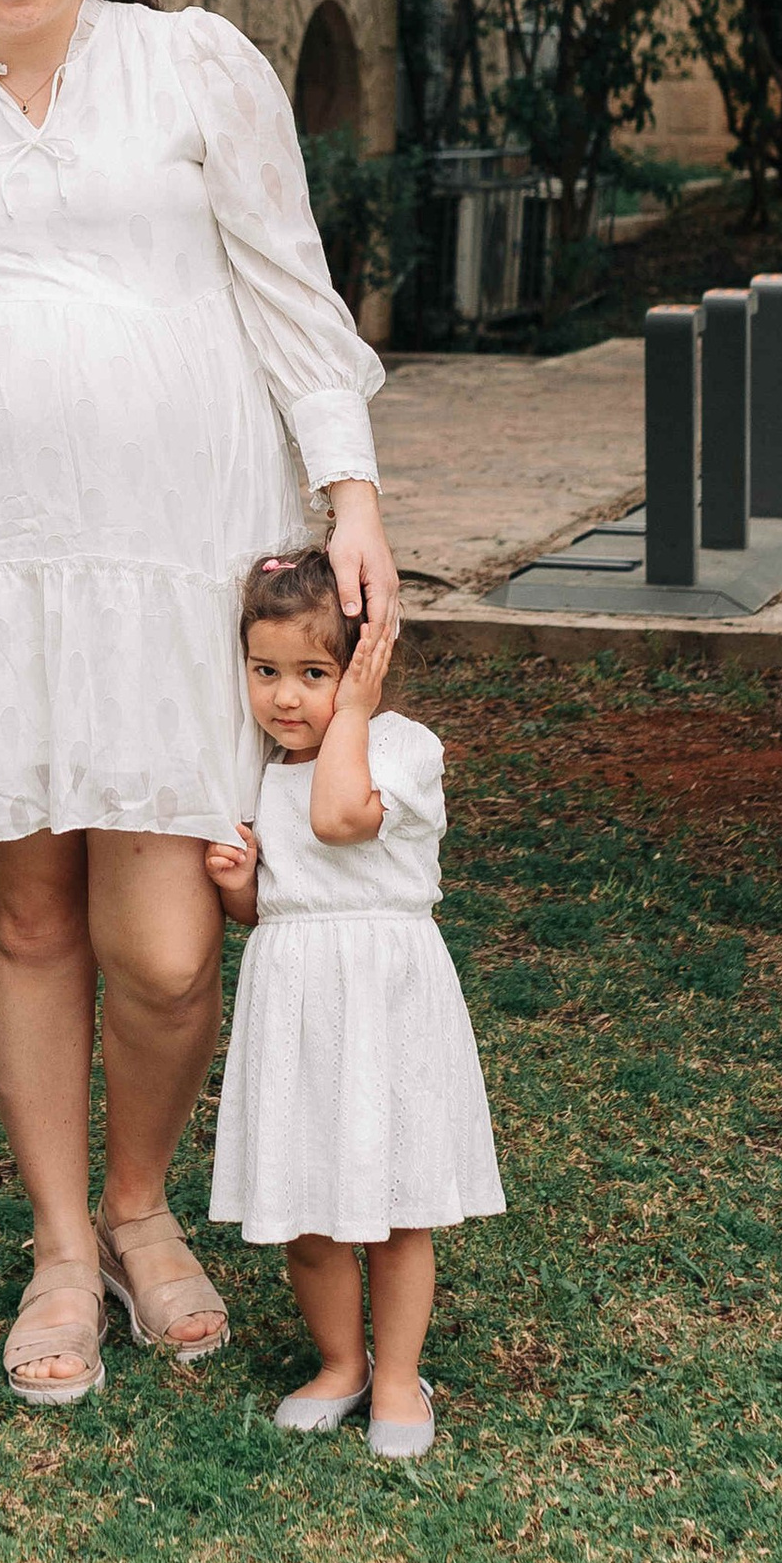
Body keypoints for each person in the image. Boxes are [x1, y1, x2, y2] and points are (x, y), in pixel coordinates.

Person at [0, 0, 400, 1405]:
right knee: (30, 916)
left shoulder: (194, 65)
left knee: (168, 945)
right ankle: (58, 1243)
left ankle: (141, 1201)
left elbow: (288, 287)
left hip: (187, 553)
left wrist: (353, 487)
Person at [205, 547, 503, 1459]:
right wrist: (240, 887)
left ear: (365, 668)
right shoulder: (261, 768)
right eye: (266, 673)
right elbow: (273, 906)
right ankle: (341, 1363)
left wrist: (360, 712)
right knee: (308, 1202)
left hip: (384, 997)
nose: (286, 698)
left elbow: (339, 820)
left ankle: (401, 1375)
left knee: (394, 1200)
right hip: (297, 999)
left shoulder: (400, 748)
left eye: (315, 674)